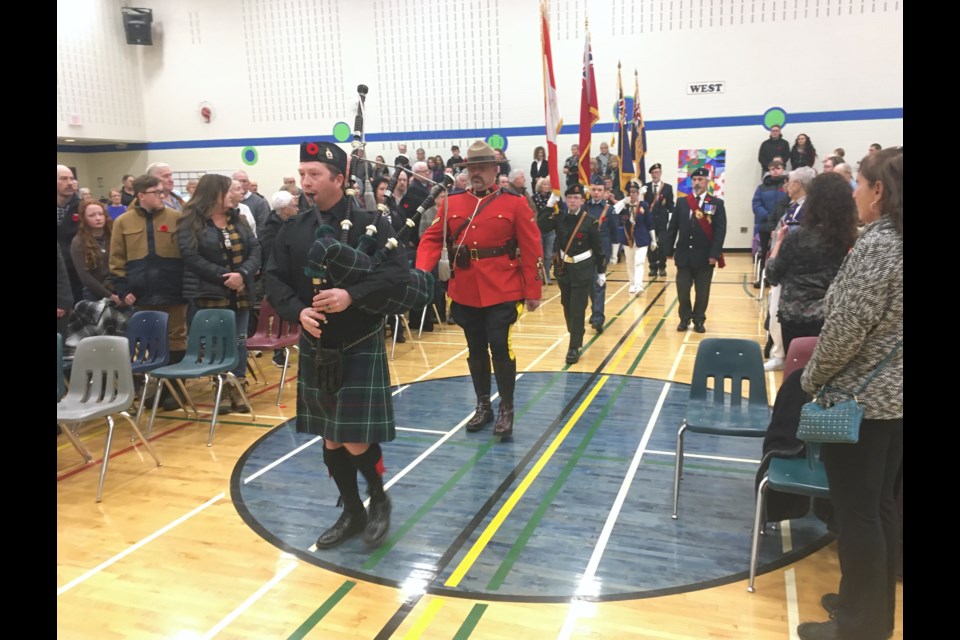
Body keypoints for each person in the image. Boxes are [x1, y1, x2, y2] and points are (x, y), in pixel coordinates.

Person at [265, 141, 408, 551]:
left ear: (339, 179)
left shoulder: (371, 223)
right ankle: (352, 509)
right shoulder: (292, 229)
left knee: (355, 437)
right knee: (329, 437)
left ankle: (378, 498)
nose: (305, 183)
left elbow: (397, 274)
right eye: (303, 174)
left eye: (314, 175)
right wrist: (297, 312)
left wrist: (352, 296)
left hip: (358, 338)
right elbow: (273, 279)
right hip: (316, 343)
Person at [795, 148, 902, 640]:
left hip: (863, 405)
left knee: (858, 514)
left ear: (879, 191)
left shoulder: (881, 247)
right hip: (894, 402)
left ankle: (859, 628)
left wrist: (812, 379)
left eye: (859, 183)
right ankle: (869, 609)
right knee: (879, 508)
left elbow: (844, 331)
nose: (855, 192)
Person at [416, 140, 543, 438]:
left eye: (482, 168)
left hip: (503, 289)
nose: (476, 173)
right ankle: (483, 405)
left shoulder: (514, 203)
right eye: (471, 168)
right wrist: (422, 271)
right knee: (475, 349)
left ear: (495, 170)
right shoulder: (453, 203)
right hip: (465, 290)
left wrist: (533, 290)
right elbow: (433, 239)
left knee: (500, 345)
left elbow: (532, 247)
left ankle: (506, 408)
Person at [178, 174, 261, 414]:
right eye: (230, 191)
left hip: (241, 291)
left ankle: (238, 386)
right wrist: (226, 277)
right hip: (211, 292)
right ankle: (222, 387)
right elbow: (191, 256)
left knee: (239, 341)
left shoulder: (239, 219)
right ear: (215, 194)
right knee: (217, 344)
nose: (236, 194)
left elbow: (255, 249)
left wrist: (242, 274)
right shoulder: (192, 221)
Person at [109, 173, 187, 411]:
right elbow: (116, 259)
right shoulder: (123, 222)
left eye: (163, 192)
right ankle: (155, 387)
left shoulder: (176, 217)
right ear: (141, 195)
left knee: (176, 338)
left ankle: (177, 389)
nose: (162, 196)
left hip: (173, 289)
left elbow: (186, 255)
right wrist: (122, 289)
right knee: (150, 342)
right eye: (157, 193)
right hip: (142, 293)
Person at [764, 172, 858, 355]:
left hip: (796, 316)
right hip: (833, 316)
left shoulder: (798, 237)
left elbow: (772, 274)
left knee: (796, 373)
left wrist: (779, 242)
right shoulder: (852, 238)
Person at [542, 184, 605, 364]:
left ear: (582, 201)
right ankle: (575, 333)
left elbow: (598, 248)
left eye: (576, 198)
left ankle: (573, 346)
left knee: (578, 309)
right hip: (564, 270)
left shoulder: (589, 221)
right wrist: (548, 205)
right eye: (569, 197)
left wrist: (600, 271)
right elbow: (542, 225)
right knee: (567, 306)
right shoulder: (559, 218)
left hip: (582, 270)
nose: (572, 200)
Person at [665, 167, 726, 333]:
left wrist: (715, 254)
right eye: (695, 180)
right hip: (684, 255)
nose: (697, 183)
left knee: (702, 291)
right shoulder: (683, 202)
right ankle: (684, 319)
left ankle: (699, 319)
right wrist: (668, 250)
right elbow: (673, 227)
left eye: (701, 180)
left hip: (705, 257)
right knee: (683, 290)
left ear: (707, 182)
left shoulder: (716, 203)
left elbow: (720, 231)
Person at [70, 200, 122, 305]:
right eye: (92, 215)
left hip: (118, 288)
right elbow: (85, 276)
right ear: (84, 219)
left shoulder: (114, 235)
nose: (98, 218)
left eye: (100, 214)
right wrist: (110, 296)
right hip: (95, 293)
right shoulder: (78, 242)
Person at [584, 176, 618, 333]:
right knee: (590, 285)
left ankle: (598, 318)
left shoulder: (609, 210)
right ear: (590, 190)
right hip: (585, 252)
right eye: (594, 189)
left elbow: (613, 233)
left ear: (604, 192)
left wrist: (613, 255)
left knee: (599, 284)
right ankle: (595, 310)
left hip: (601, 253)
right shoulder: (584, 208)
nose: (596, 193)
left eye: (599, 190)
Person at [613, 181, 656, 295]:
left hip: (642, 239)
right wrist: (623, 201)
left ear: (638, 193)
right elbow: (613, 211)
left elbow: (650, 223)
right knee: (630, 262)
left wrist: (654, 240)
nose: (632, 194)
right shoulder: (624, 206)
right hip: (628, 239)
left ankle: (638, 285)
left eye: (634, 192)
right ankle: (632, 284)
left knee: (639, 262)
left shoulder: (644, 205)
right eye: (630, 192)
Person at [751, 159, 789, 286]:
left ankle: (778, 279)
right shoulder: (762, 187)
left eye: (778, 168)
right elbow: (756, 204)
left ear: (783, 169)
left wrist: (779, 220)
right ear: (769, 170)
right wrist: (768, 217)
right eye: (773, 168)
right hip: (765, 225)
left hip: (783, 225)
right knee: (764, 253)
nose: (775, 171)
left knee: (781, 252)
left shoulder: (787, 185)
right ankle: (763, 278)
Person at [643, 163, 675, 277]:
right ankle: (652, 267)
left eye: (657, 172)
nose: (655, 174)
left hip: (662, 221)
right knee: (651, 244)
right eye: (653, 172)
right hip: (649, 221)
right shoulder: (645, 187)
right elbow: (643, 204)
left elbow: (671, 205)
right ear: (651, 174)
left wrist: (672, 220)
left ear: (660, 173)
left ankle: (662, 267)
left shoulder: (667, 188)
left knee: (661, 244)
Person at [532, 177, 559, 285]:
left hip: (550, 230)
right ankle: (539, 275)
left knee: (548, 255)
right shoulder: (534, 198)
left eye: (549, 184)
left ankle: (547, 274)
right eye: (544, 184)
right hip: (537, 229)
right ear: (540, 186)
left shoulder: (555, 198)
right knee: (539, 255)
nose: (547, 186)